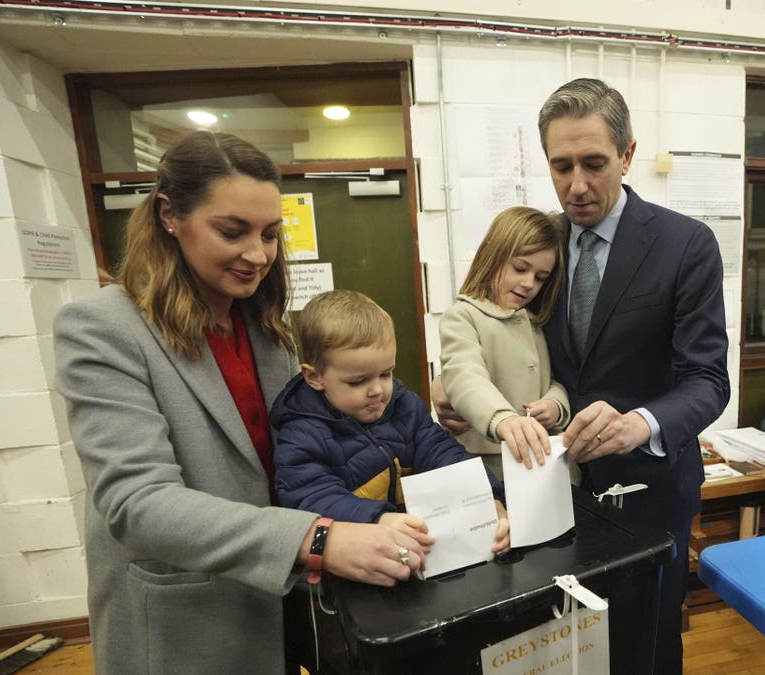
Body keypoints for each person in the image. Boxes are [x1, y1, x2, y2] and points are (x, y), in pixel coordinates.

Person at [54, 131, 425, 675]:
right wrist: (316, 537)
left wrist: (407, 426)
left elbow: (307, 439)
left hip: (279, 602)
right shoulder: (102, 328)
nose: (257, 255)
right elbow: (137, 503)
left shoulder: (262, 326)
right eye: (232, 231)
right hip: (192, 619)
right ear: (167, 215)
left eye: (271, 235)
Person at [436, 78, 730, 674]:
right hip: (543, 490)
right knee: (556, 648)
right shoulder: (540, 245)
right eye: (560, 165)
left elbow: (707, 379)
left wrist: (641, 424)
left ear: (627, 154)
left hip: (648, 491)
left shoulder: (685, 244)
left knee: (644, 646)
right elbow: (493, 336)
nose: (576, 185)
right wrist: (451, 392)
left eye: (594, 163)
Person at [271, 289, 509, 551]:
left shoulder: (403, 406)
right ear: (314, 377)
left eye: (385, 374)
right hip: (355, 568)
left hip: (413, 550)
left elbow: (442, 453)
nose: (378, 390)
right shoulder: (302, 436)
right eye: (357, 381)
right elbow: (314, 498)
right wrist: (379, 519)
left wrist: (487, 496)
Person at [438, 206, 570, 479]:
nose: (528, 284)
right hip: (489, 467)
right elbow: (465, 375)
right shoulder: (463, 316)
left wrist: (556, 405)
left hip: (543, 461)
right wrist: (503, 419)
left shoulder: (536, 321)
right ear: (493, 255)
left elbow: (555, 379)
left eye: (540, 278)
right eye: (520, 268)